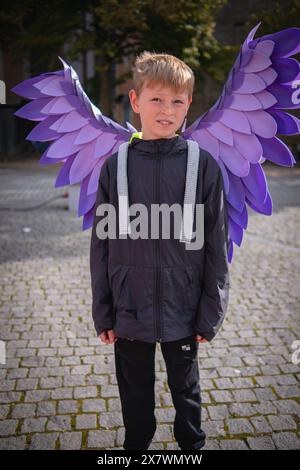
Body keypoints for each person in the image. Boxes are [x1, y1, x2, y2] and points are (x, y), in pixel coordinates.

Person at [90, 51, 230, 450]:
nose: (166, 110)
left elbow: (216, 247)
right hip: (129, 309)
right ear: (135, 102)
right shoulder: (113, 167)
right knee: (134, 399)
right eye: (156, 99)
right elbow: (100, 245)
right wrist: (103, 309)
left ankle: (192, 449)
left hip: (182, 311)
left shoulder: (203, 167)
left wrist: (210, 312)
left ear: (188, 105)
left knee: (187, 395)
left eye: (177, 101)